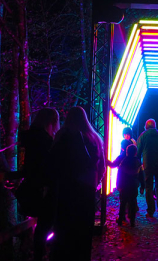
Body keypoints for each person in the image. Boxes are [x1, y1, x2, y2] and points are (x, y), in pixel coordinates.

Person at [49, 107, 105, 260]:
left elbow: (53, 162)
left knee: (64, 228)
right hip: (87, 189)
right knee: (84, 229)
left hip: (67, 188)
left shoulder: (63, 135)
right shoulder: (95, 138)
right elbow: (102, 167)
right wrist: (94, 182)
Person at [19, 108, 59, 261]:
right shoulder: (46, 141)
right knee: (47, 223)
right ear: (51, 122)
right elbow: (49, 165)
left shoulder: (30, 138)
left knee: (42, 226)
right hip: (46, 188)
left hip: (33, 185)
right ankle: (44, 254)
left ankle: (39, 254)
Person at [107, 144, 145, 227]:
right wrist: (142, 186)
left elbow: (116, 170)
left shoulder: (123, 160)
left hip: (124, 184)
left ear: (126, 152)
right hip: (134, 185)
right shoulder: (138, 162)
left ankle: (121, 219)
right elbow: (141, 175)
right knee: (132, 202)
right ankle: (132, 221)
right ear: (135, 152)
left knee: (123, 202)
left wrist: (118, 185)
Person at [136, 119, 158, 217]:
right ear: (155, 125)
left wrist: (138, 164)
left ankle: (150, 210)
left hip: (147, 164)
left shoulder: (143, 136)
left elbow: (138, 151)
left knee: (148, 187)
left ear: (146, 126)